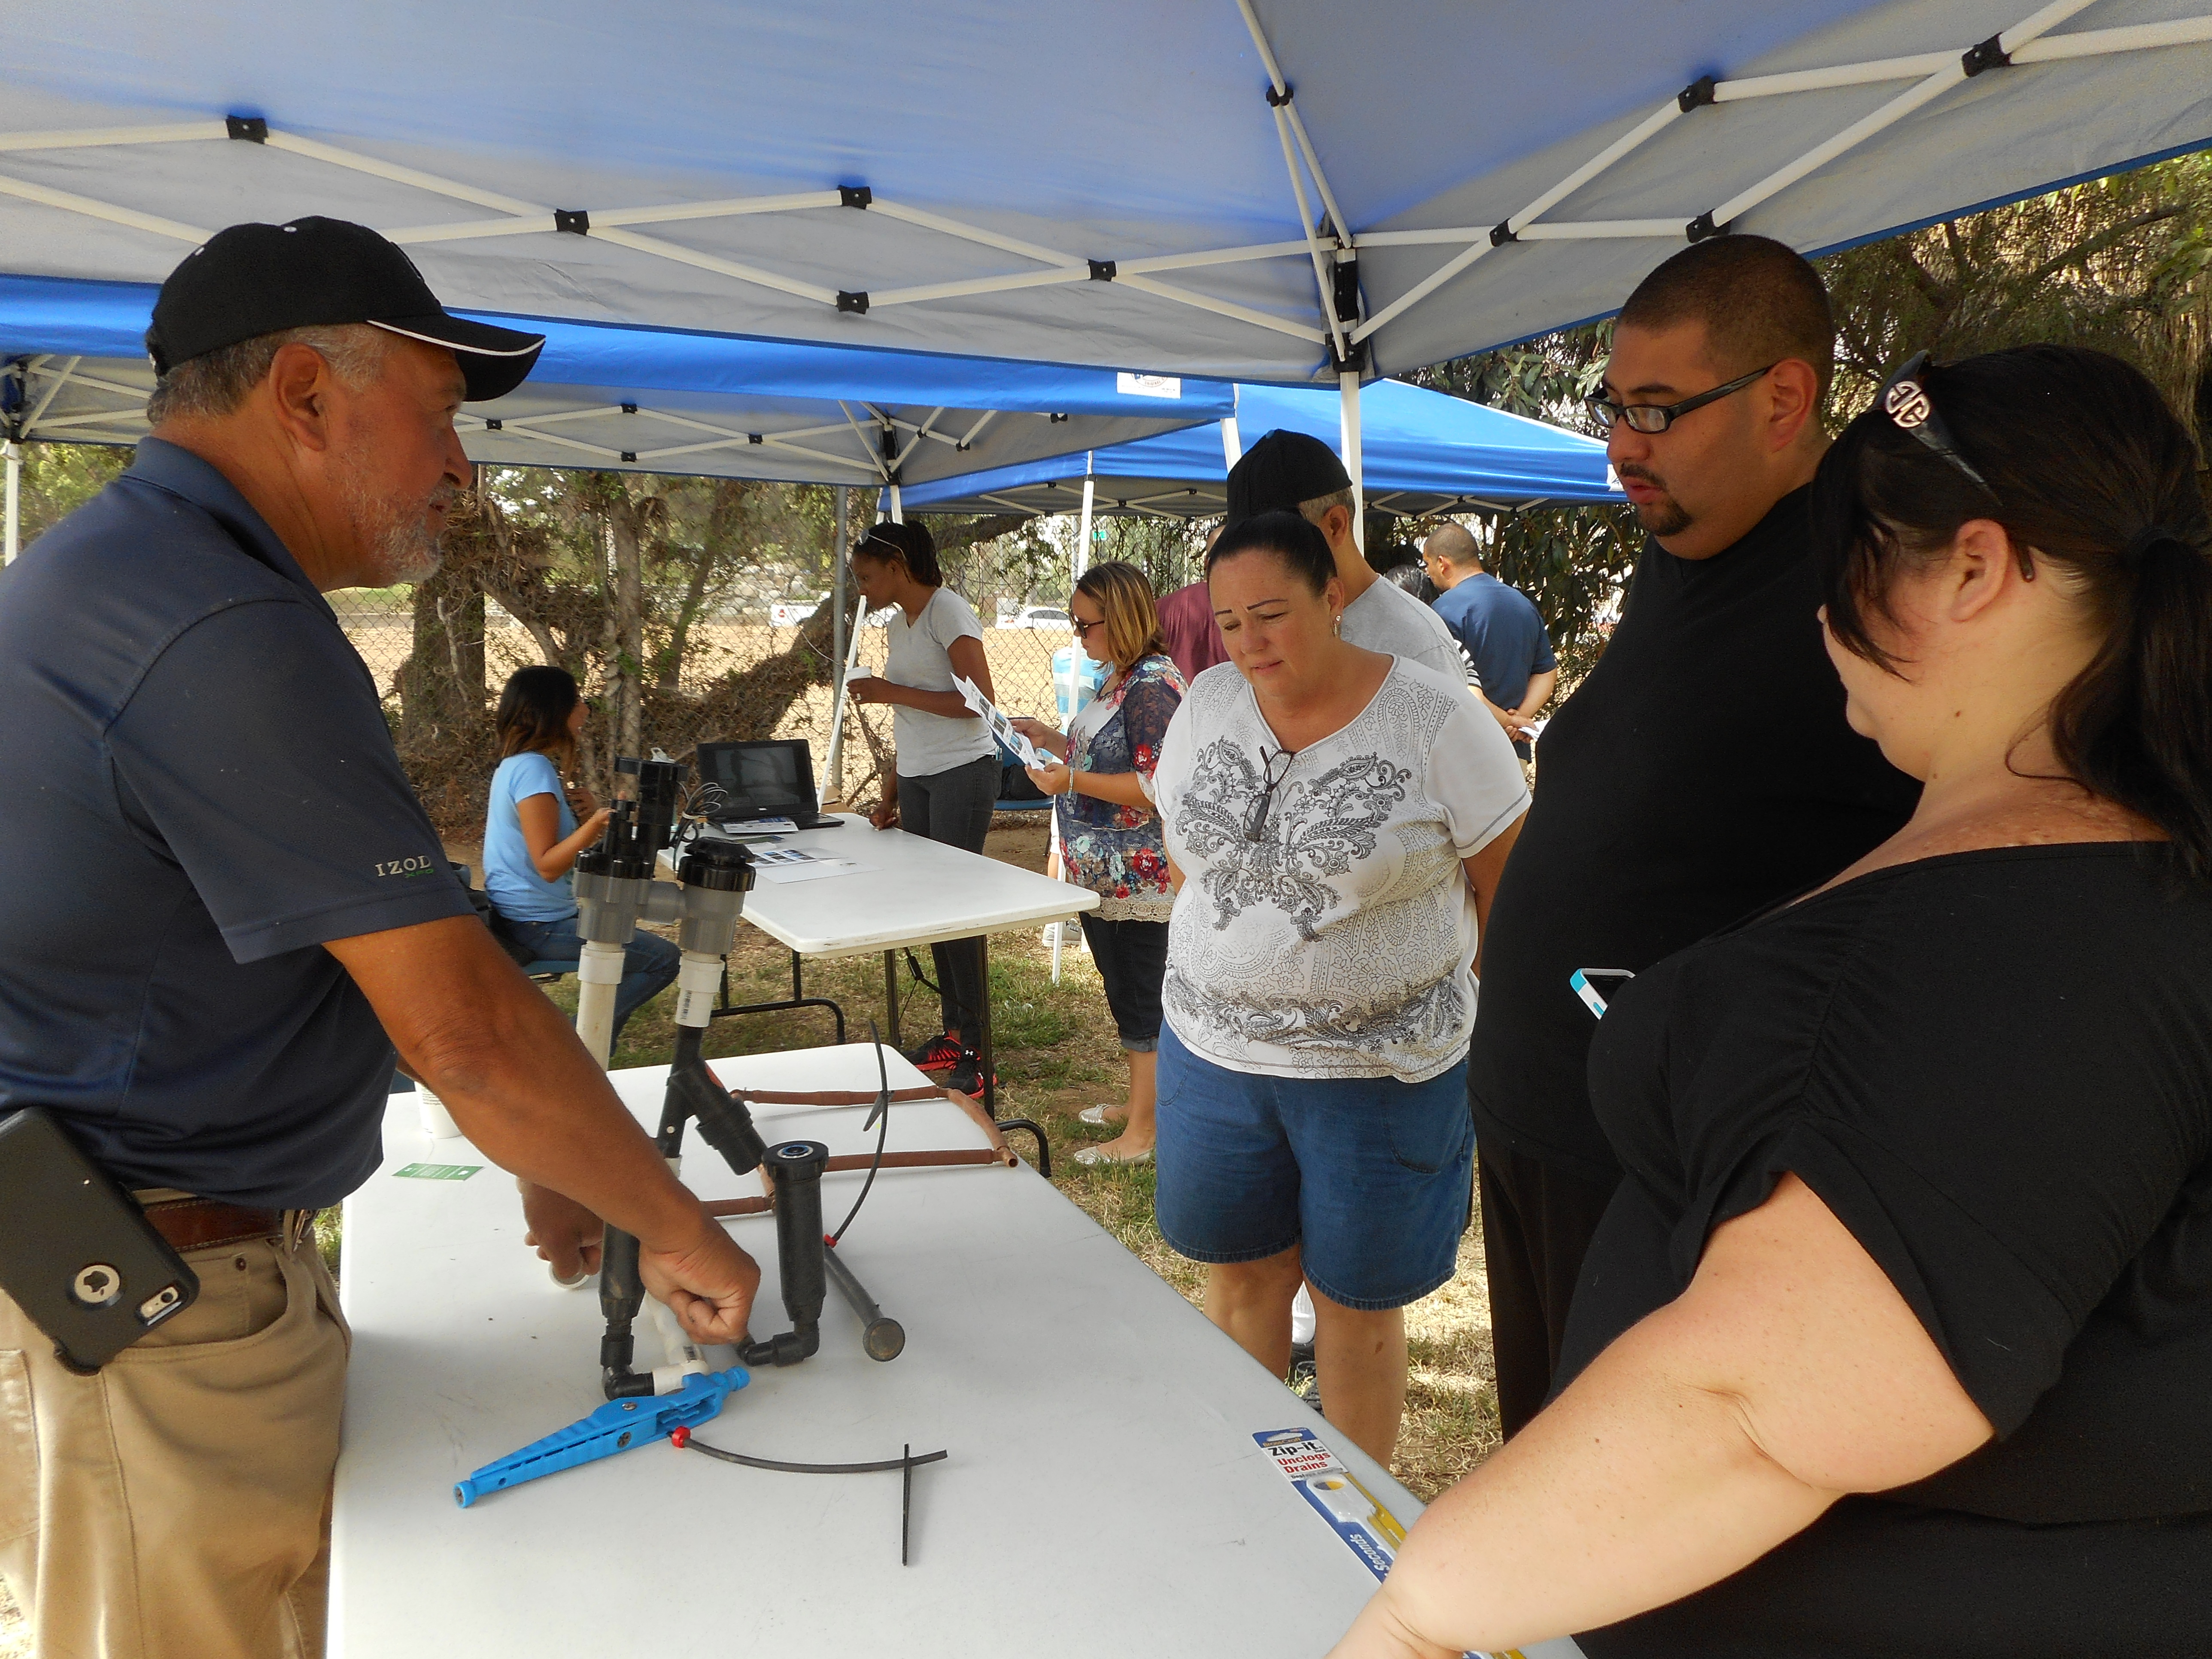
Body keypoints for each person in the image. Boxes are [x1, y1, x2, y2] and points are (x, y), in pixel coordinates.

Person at [1328, 343, 2212, 1659]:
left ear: (1972, 568)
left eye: (1842, 567)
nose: (1817, 619)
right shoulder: (2089, 866)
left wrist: (1412, 1619)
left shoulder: (2023, 948)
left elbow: (1755, 1403)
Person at [0, 218, 758, 1659]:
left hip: (129, 1261)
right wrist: (676, 1225)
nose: (460, 468)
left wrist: (552, 1155)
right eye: (442, 416)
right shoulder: (216, 623)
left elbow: (306, 953)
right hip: (148, 1316)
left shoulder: (124, 572)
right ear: (303, 395)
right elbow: (461, 1020)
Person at [1464, 235, 1920, 1437]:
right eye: (1618, 408)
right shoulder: (1686, 549)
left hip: (1663, 1172)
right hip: (1532, 1121)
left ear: (1785, 398)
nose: (1623, 446)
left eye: (1659, 412)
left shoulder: (1874, 591)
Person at [1148, 511, 1529, 1468]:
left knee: (1355, 1307)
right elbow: (1185, 847)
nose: (1247, 643)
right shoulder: (1205, 703)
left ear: (1331, 596)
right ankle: (1253, 1488)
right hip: (1212, 1056)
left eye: (1270, 614)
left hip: (1380, 1072)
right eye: (1228, 622)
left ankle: (1356, 1516)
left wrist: (1432, 992)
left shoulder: (1437, 719)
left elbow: (1513, 893)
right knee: (1242, 1281)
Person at [1014, 562, 1187, 1166]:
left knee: (1143, 1002)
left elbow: (1155, 784)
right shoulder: (1120, 679)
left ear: (1122, 618)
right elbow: (1105, 759)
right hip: (1106, 878)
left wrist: (1072, 777)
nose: (1077, 635)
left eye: (1085, 624)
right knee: (1128, 997)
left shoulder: (1152, 686)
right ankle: (1143, 1104)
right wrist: (1049, 738)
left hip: (1142, 880)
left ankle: (1144, 1134)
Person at [845, 520, 1000, 1098]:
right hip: (919, 778)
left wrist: (888, 692)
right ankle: (953, 1035)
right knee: (936, 911)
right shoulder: (900, 623)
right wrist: (890, 798)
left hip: (963, 773)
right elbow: (910, 722)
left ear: (898, 567)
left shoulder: (947, 612)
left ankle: (979, 1052)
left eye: (866, 576)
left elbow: (978, 705)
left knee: (960, 912)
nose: (862, 589)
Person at [481, 665, 681, 1048]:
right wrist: (599, 822)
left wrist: (589, 815)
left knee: (629, 943)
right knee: (662, 958)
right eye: (576, 701)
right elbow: (549, 865)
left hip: (531, 917)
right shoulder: (534, 770)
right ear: (552, 710)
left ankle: (591, 1041)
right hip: (536, 926)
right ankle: (573, 1043)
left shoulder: (519, 766)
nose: (585, 709)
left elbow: (558, 854)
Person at [1223, 428, 1466, 684]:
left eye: (1276, 540)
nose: (1257, 559)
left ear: (1335, 525)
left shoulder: (1416, 644)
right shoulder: (1252, 638)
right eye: (1243, 544)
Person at [1421, 521, 1557, 755]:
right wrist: (1520, 717)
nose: (1427, 572)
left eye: (1428, 564)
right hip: (1514, 749)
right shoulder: (1523, 604)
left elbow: (1457, 686)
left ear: (1442, 564)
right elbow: (1546, 671)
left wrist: (1508, 721)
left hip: (1464, 750)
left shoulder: (1442, 611)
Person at [1158, 572, 1230, 681]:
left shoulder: (1161, 607)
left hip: (1172, 692)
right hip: (1228, 691)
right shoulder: (1242, 605)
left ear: (1206, 562)